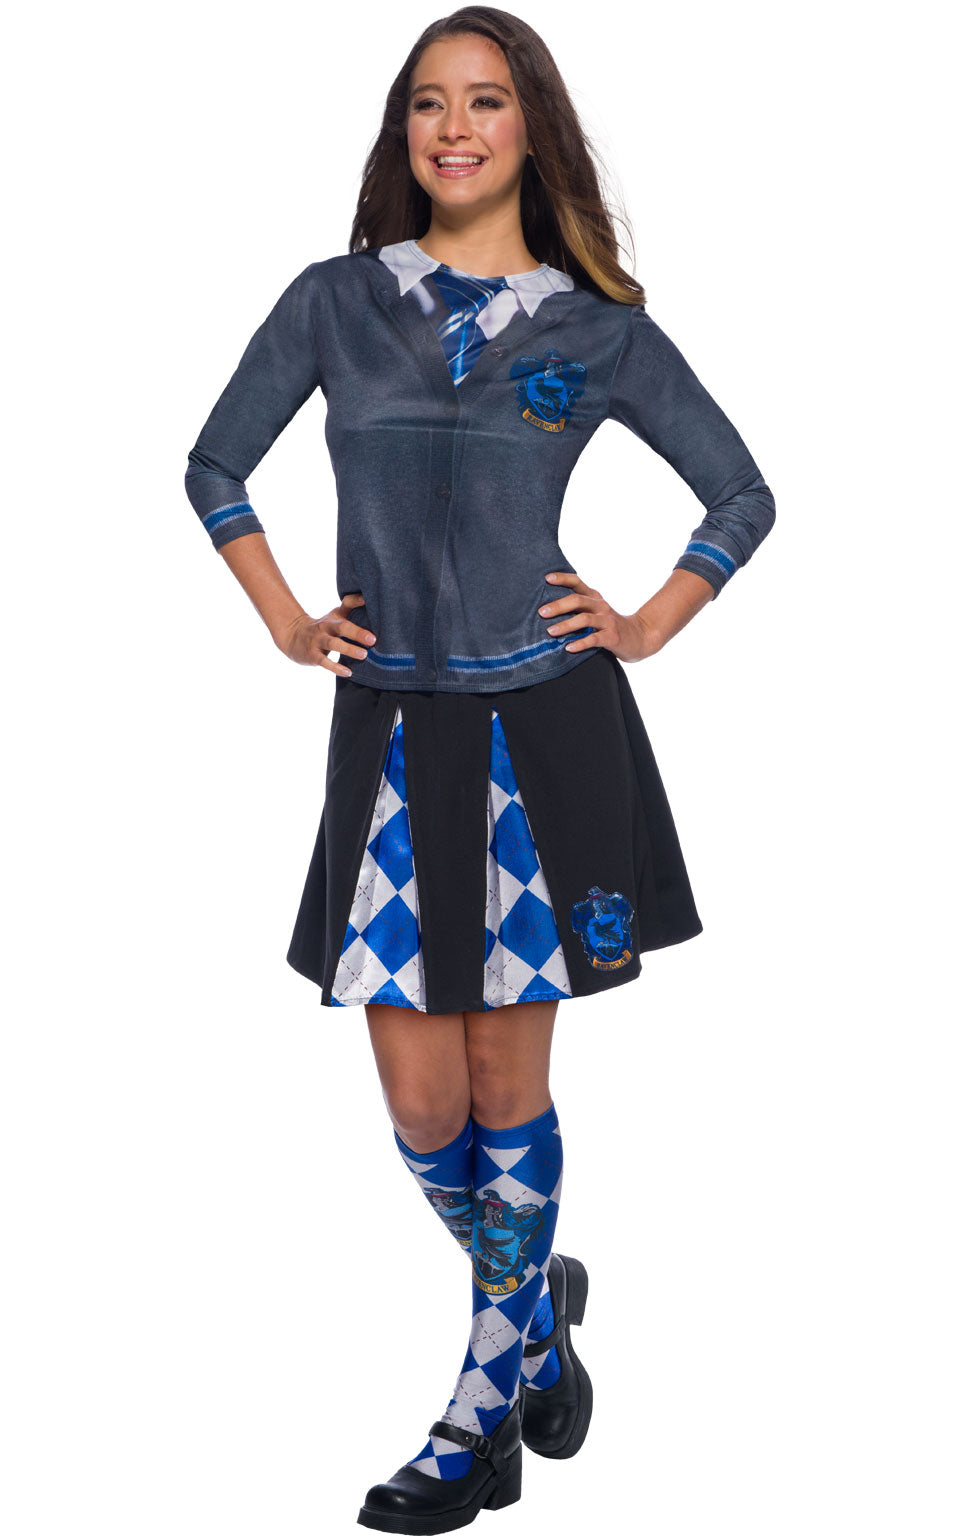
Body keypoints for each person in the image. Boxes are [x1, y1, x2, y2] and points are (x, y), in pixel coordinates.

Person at [184, 8, 775, 1531]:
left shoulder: (597, 330)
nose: (456, 128)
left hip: (545, 735)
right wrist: (285, 620)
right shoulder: (334, 303)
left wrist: (645, 621)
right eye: (430, 104)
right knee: (420, 1101)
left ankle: (473, 1417)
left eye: (487, 101)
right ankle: (538, 1326)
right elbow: (213, 464)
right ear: (405, 134)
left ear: (531, 129)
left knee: (511, 1086)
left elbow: (741, 492)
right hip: (390, 735)